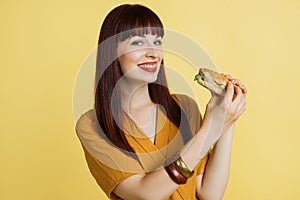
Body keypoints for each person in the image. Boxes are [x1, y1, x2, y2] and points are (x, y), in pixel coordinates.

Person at [75, 4, 247, 200]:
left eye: (157, 42)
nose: (153, 53)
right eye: (138, 43)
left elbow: (209, 193)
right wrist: (211, 128)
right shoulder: (92, 125)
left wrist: (226, 119)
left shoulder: (183, 107)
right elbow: (146, 194)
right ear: (111, 52)